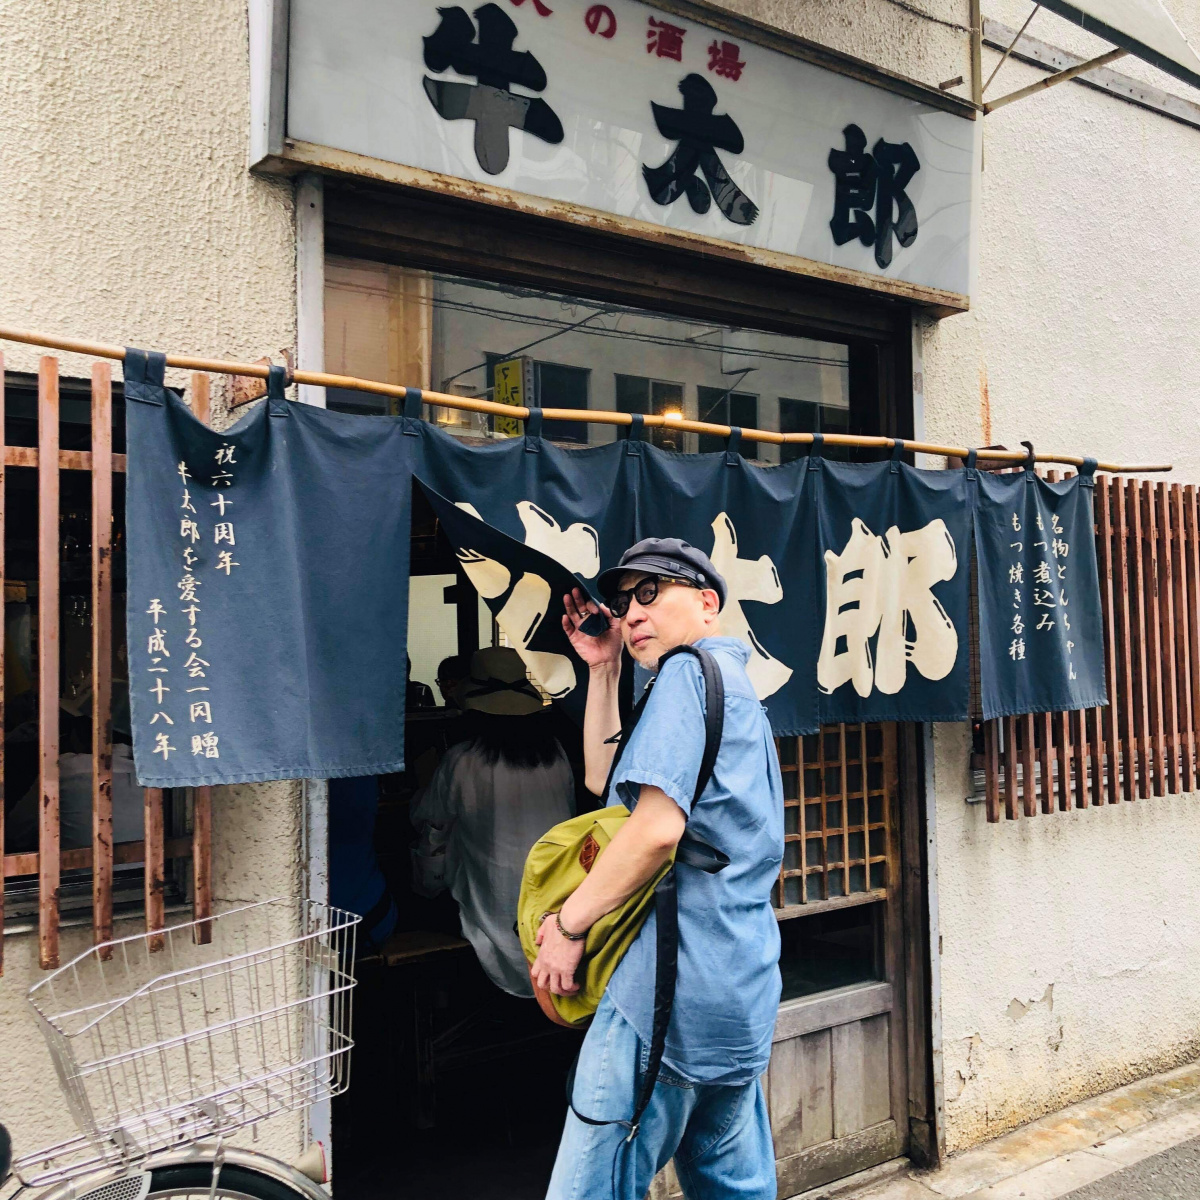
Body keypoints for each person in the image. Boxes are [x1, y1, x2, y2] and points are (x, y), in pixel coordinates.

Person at [532, 538, 783, 1200]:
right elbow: (602, 780)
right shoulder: (730, 686)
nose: (632, 612)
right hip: (740, 991)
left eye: (652, 592)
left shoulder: (683, 675)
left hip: (667, 996)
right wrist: (605, 670)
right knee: (733, 1185)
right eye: (623, 601)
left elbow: (654, 832)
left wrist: (569, 924)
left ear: (706, 601)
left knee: (593, 1188)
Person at [412, 646, 575, 996]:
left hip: (492, 906)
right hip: (553, 914)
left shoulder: (462, 760)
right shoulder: (557, 755)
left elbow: (428, 823)